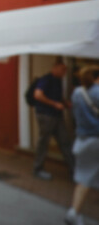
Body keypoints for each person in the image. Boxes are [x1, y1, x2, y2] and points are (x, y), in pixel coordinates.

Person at [65, 66, 99, 225]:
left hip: (82, 140)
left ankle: (74, 212)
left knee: (84, 178)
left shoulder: (77, 93)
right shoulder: (97, 93)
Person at [33, 58, 74, 180]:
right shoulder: (46, 79)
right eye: (62, 70)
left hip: (57, 116)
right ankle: (38, 169)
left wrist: (64, 103)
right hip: (46, 115)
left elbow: (56, 96)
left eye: (65, 70)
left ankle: (74, 170)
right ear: (54, 68)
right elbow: (38, 94)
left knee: (65, 141)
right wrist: (54, 104)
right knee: (44, 142)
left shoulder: (59, 81)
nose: (64, 73)